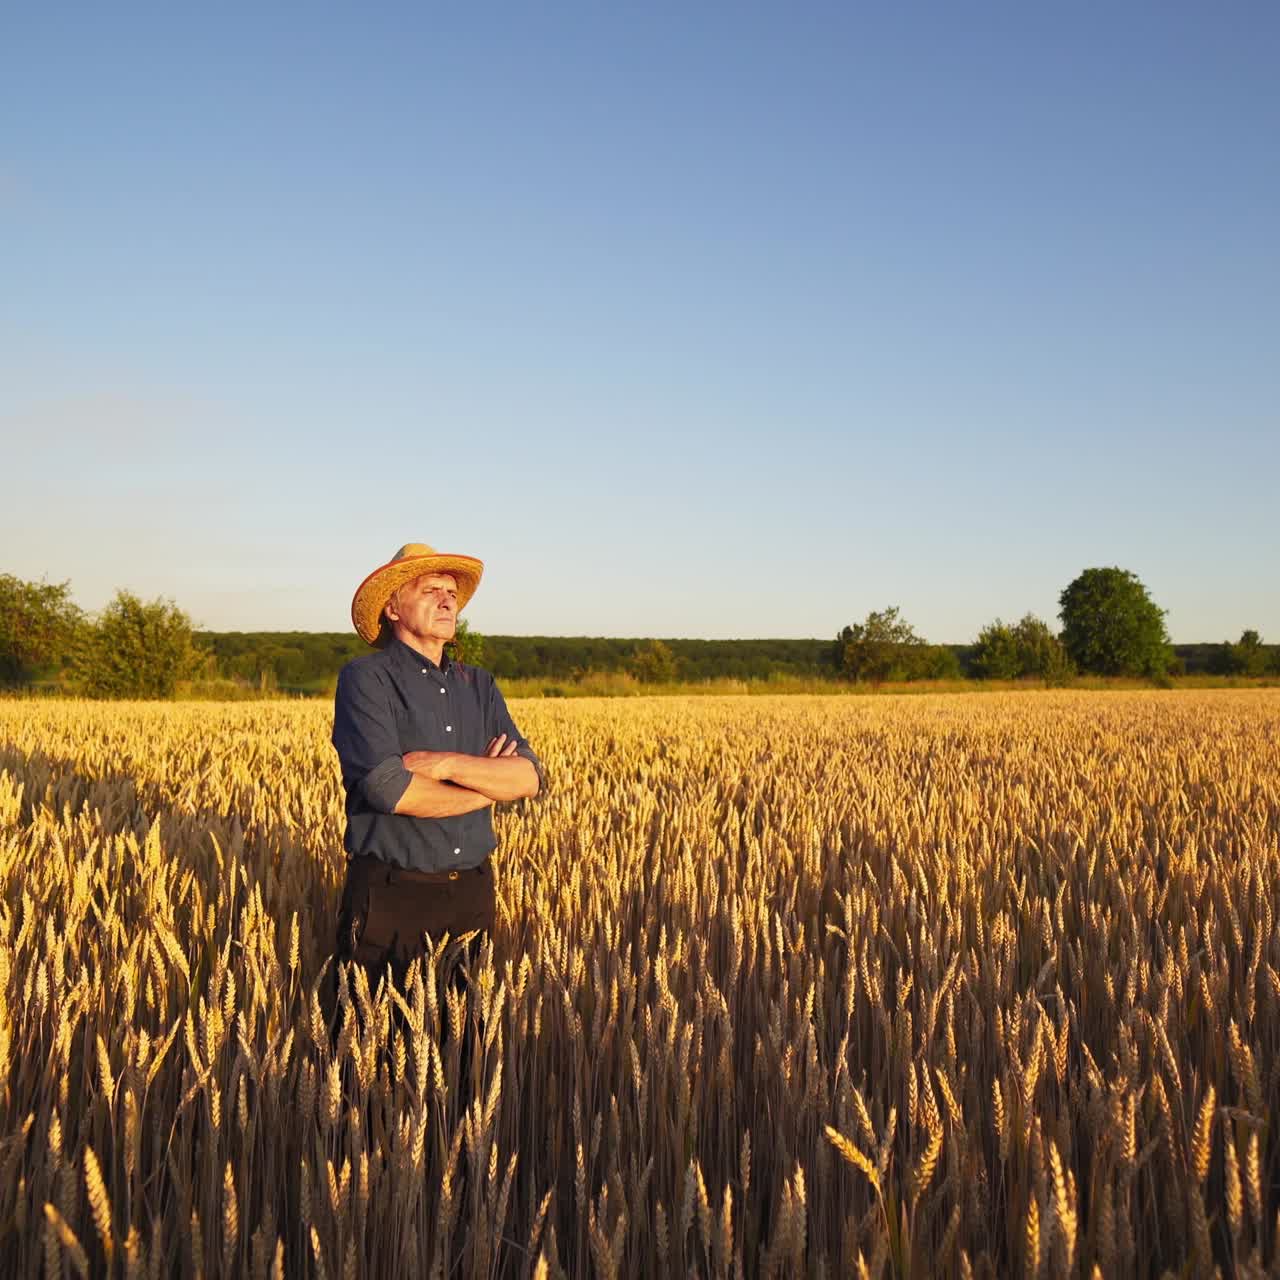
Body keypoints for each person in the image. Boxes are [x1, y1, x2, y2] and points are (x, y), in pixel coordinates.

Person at [329, 542, 544, 1010]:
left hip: (472, 894)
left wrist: (444, 765)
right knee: (373, 1049)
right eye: (430, 590)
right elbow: (391, 789)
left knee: (466, 1050)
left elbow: (528, 778)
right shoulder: (366, 680)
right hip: (392, 897)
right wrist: (489, 786)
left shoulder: (480, 685)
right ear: (391, 608)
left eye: (451, 592)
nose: (448, 600)